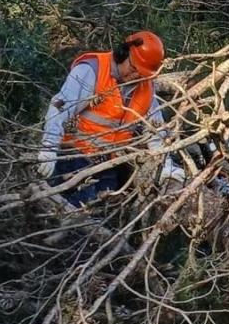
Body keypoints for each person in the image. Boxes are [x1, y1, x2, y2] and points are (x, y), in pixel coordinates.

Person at [40, 30, 183, 208]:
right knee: (77, 214)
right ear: (123, 53)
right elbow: (60, 108)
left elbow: (156, 128)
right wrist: (49, 147)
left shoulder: (146, 86)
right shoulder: (92, 70)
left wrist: (165, 165)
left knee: (105, 213)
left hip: (109, 164)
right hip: (74, 157)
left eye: (142, 74)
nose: (136, 76)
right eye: (133, 68)